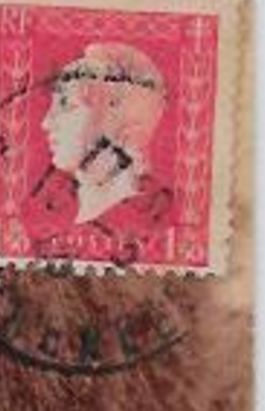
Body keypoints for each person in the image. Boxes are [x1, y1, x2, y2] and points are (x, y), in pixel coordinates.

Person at [26, 41, 174, 264]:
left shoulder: (128, 221)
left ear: (120, 121)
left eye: (69, 106)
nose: (46, 122)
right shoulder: (72, 214)